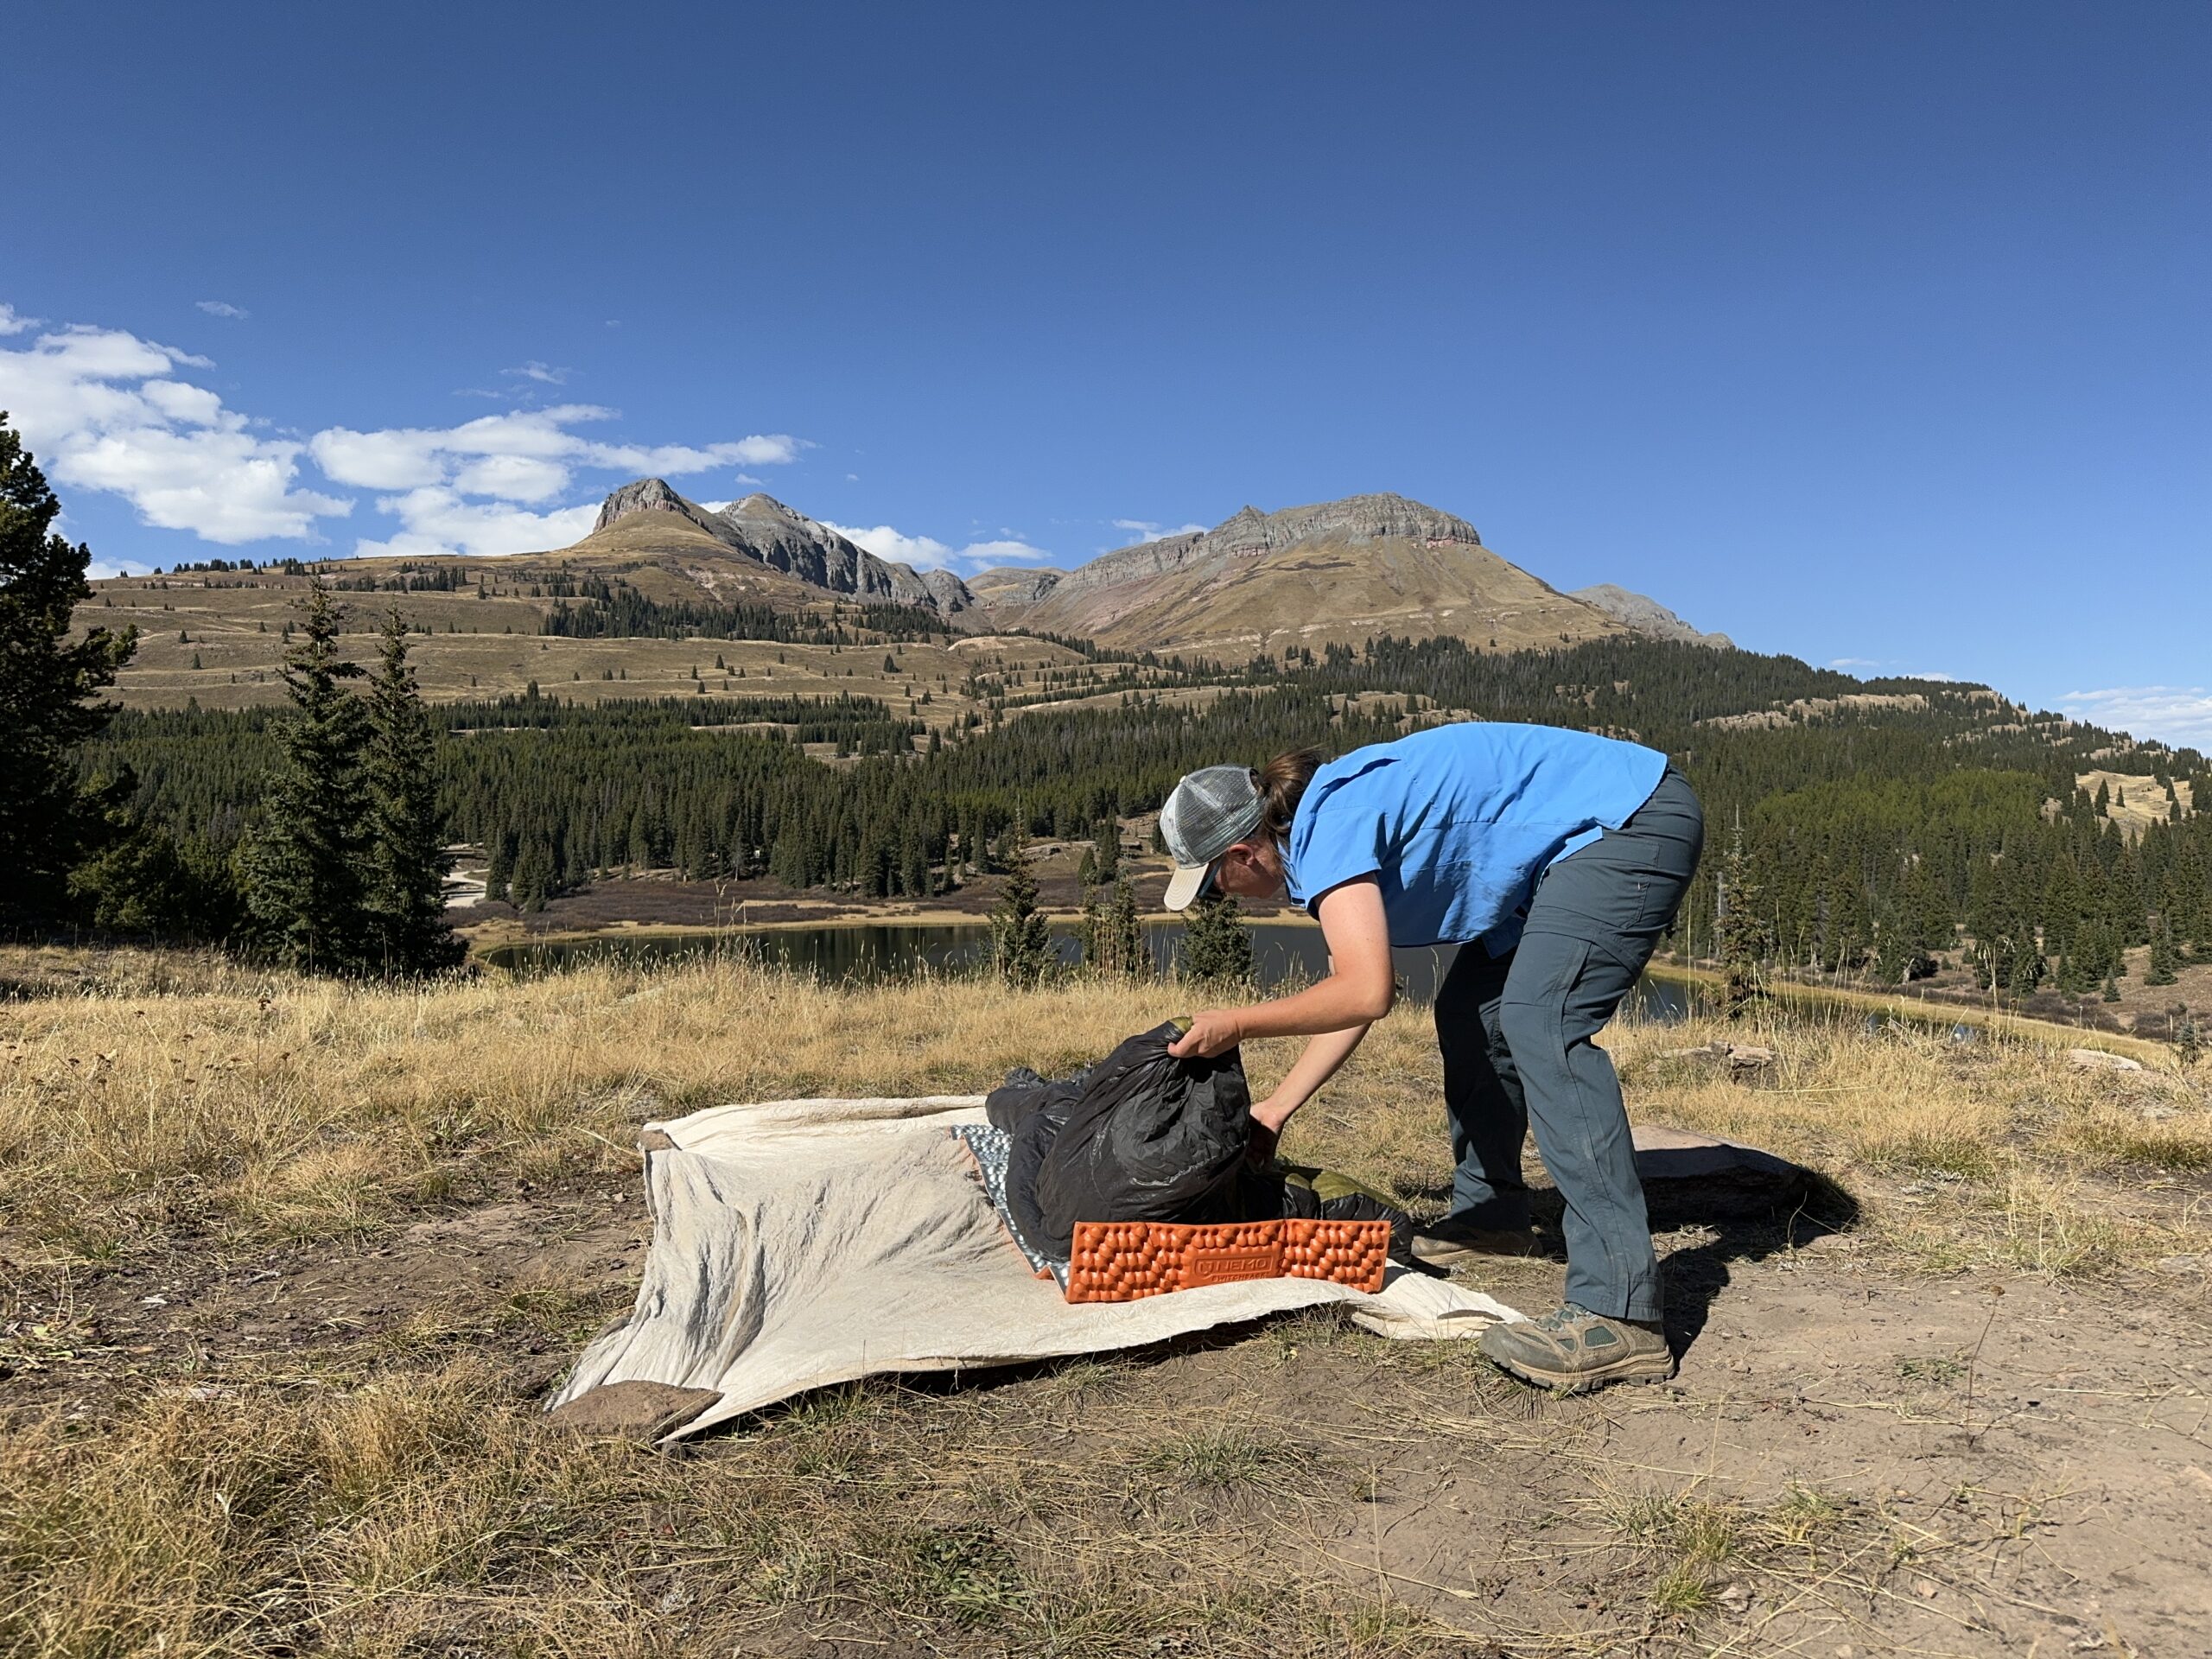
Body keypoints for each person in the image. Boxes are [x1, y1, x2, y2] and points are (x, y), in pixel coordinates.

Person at [1160, 721, 1703, 1391]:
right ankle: (1492, 1216)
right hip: (1560, 855)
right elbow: (1350, 999)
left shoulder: (1330, 824)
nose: (1220, 904)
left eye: (1213, 888)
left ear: (1243, 853)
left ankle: (1620, 1314)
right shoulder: (1317, 834)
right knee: (1472, 1011)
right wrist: (1275, 1110)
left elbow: (1365, 991)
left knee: (1541, 1021)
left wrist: (1238, 1024)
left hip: (1628, 820)